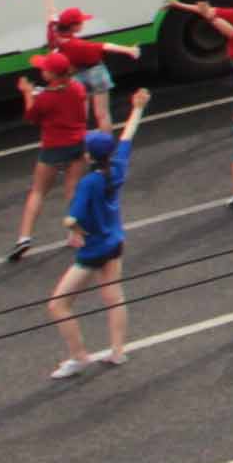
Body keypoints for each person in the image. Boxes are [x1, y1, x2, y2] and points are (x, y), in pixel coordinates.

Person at [47, 92, 154, 372]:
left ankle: (79, 356)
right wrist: (137, 109)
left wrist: (78, 231)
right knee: (113, 296)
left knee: (58, 305)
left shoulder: (88, 183)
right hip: (114, 241)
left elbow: (71, 219)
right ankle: (118, 350)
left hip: (94, 249)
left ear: (87, 155)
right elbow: (128, 136)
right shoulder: (115, 168)